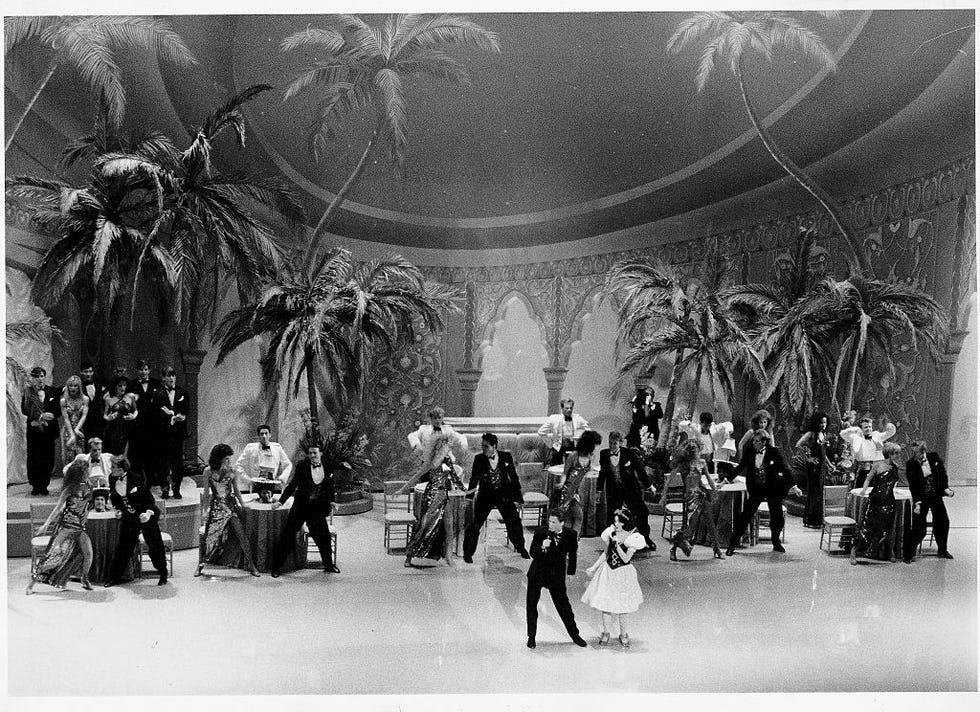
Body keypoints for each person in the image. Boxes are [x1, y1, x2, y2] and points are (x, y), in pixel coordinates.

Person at [725, 429, 802, 556]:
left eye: (756, 441)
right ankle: (732, 545)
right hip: (756, 489)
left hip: (773, 489)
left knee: (776, 517)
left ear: (764, 442)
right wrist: (728, 479)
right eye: (753, 441)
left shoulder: (774, 452)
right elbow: (740, 466)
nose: (754, 443)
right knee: (745, 516)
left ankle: (776, 543)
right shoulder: (750, 451)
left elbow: (785, 469)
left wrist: (794, 486)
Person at [581, 507, 647, 648]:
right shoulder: (611, 534)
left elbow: (625, 558)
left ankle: (623, 634)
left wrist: (617, 545)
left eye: (619, 522)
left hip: (623, 574)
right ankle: (605, 632)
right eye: (615, 521)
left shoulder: (632, 538)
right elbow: (606, 554)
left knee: (623, 606)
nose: (616, 524)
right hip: (609, 572)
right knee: (606, 605)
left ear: (625, 522)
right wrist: (594, 567)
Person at [271, 443, 339, 576]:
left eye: (315, 453)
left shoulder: (328, 466)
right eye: (310, 453)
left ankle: (329, 565)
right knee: (288, 536)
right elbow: (292, 486)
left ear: (321, 454)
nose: (312, 455)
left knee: (323, 538)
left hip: (317, 509)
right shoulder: (302, 466)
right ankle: (276, 567)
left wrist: (332, 501)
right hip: (300, 508)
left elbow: (330, 486)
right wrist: (280, 501)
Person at [26, 461, 94, 594]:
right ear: (80, 474)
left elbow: (87, 506)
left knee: (88, 553)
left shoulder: (89, 487)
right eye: (87, 471)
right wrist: (45, 525)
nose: (89, 472)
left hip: (80, 528)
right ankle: (31, 584)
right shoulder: (69, 490)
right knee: (53, 556)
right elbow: (57, 509)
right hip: (66, 528)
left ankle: (84, 579)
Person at [400, 435, 466, 567]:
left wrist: (466, 490)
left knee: (449, 526)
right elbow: (416, 476)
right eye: (446, 446)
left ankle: (448, 557)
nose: (448, 448)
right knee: (424, 526)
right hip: (431, 496)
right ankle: (409, 556)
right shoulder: (431, 462)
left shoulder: (447, 461)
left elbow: (455, 478)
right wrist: (403, 488)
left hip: (444, 495)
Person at [195, 444, 261, 577]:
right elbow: (207, 493)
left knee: (242, 536)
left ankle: (252, 566)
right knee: (208, 537)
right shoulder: (208, 471)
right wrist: (205, 510)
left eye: (229, 458)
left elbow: (236, 490)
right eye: (226, 458)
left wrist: (242, 504)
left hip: (231, 507)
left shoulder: (233, 470)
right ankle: (200, 566)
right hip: (216, 508)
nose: (228, 461)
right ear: (218, 458)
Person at [462, 433, 529, 563]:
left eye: (486, 446)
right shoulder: (479, 459)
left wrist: (518, 499)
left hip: (504, 495)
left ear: (494, 446)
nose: (483, 449)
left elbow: (514, 478)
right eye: (482, 446)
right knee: (475, 525)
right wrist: (469, 498)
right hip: (485, 496)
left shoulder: (506, 457)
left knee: (514, 522)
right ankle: (468, 554)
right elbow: (474, 479)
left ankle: (521, 548)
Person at [526, 510, 588, 649]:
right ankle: (531, 637)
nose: (550, 524)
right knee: (531, 605)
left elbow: (573, 556)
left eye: (554, 522)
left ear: (562, 523)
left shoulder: (570, 535)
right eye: (549, 521)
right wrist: (543, 547)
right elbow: (532, 552)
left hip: (556, 576)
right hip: (538, 573)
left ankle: (575, 635)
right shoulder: (540, 532)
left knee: (564, 606)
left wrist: (571, 573)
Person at [104, 458, 168, 587]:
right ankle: (114, 577)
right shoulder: (112, 478)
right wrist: (118, 509)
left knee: (154, 544)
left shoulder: (137, 478)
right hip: (129, 517)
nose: (111, 470)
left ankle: (162, 573)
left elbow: (149, 498)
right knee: (124, 547)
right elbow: (114, 496)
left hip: (144, 515)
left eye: (113, 467)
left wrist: (148, 513)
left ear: (121, 469)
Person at [597, 431, 656, 549]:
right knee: (613, 516)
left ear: (620, 443)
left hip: (630, 490)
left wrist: (649, 486)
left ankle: (646, 539)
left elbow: (640, 470)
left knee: (641, 513)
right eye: (610, 443)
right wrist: (599, 491)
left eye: (615, 443)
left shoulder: (628, 454)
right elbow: (602, 473)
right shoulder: (604, 454)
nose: (612, 446)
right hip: (614, 491)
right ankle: (614, 541)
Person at [851, 442, 903, 565]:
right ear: (890, 453)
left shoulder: (895, 467)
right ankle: (854, 550)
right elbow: (868, 478)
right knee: (867, 526)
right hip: (876, 499)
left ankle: (889, 551)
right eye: (896, 453)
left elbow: (893, 483)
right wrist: (864, 489)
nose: (898, 455)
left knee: (888, 528)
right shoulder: (878, 465)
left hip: (889, 500)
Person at [904, 441, 954, 562]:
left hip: (935, 495)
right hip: (922, 497)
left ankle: (942, 550)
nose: (915, 455)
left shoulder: (934, 457)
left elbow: (942, 474)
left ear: (923, 451)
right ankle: (909, 554)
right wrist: (917, 503)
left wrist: (945, 488)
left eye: (917, 453)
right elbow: (913, 485)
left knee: (943, 521)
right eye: (913, 452)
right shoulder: (911, 464)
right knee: (918, 527)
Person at [670, 457, 724, 561]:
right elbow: (686, 480)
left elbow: (707, 477)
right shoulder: (684, 463)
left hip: (703, 494)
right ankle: (673, 548)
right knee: (690, 527)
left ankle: (717, 549)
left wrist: (714, 489)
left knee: (710, 523)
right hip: (691, 497)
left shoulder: (702, 462)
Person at [550, 430, 601, 535]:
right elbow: (565, 472)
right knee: (575, 516)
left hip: (576, 491)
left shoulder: (590, 457)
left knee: (572, 517)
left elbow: (588, 469)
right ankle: (570, 540)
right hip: (568, 490)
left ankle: (570, 540)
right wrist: (561, 484)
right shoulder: (574, 456)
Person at [21, 366, 61, 496]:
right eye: (37, 376)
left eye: (42, 376)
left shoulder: (52, 391)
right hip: (34, 430)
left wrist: (51, 414)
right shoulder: (28, 392)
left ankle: (44, 484)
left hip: (49, 431)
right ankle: (35, 485)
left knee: (48, 458)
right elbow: (24, 409)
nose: (39, 379)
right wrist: (40, 416)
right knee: (34, 457)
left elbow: (59, 409)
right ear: (33, 378)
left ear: (45, 377)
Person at [151, 366, 188, 499]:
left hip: (178, 434)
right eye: (168, 375)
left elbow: (186, 410)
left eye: (173, 375)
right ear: (163, 378)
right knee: (163, 463)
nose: (171, 378)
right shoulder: (158, 393)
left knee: (177, 463)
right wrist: (171, 416)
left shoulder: (182, 392)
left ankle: (177, 488)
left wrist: (175, 415)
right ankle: (165, 488)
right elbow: (155, 413)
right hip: (162, 434)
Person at [795, 411, 836, 528]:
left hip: (821, 467)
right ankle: (811, 520)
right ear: (816, 422)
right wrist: (808, 459)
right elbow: (798, 445)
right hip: (813, 468)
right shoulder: (811, 434)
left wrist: (829, 465)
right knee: (814, 492)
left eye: (825, 423)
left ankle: (817, 520)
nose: (823, 425)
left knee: (820, 492)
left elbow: (823, 453)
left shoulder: (823, 434)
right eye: (821, 422)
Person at [406, 407, 468, 479]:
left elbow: (461, 437)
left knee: (443, 484)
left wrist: (464, 445)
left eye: (439, 418)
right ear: (431, 419)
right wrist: (417, 445)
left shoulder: (447, 430)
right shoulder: (424, 430)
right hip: (427, 462)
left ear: (442, 418)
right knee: (425, 483)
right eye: (435, 418)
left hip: (444, 461)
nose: (437, 420)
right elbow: (412, 435)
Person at [840, 413, 897, 488]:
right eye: (866, 427)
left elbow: (889, 433)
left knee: (876, 491)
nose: (869, 429)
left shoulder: (877, 435)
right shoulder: (856, 438)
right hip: (863, 469)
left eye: (870, 427)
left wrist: (890, 426)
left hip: (877, 469)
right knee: (860, 490)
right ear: (861, 429)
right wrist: (855, 429)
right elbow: (843, 434)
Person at [126, 359, 161, 478]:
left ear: (149, 370)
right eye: (141, 369)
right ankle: (136, 477)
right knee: (136, 452)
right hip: (136, 425)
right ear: (136, 370)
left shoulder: (157, 384)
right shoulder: (131, 385)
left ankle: (152, 478)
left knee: (152, 452)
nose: (143, 372)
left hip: (153, 425)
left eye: (146, 369)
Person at [236, 424, 293, 494]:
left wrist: (282, 478)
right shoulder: (250, 448)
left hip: (272, 484)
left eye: (266, 433)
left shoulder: (277, 448)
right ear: (258, 436)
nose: (264, 436)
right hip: (256, 485)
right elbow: (238, 465)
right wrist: (248, 480)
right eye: (261, 434)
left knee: (271, 502)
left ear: (270, 435)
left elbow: (288, 464)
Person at [538, 398, 590, 466]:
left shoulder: (578, 418)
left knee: (574, 470)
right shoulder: (554, 418)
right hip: (558, 448)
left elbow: (589, 432)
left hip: (573, 447)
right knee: (556, 469)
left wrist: (581, 440)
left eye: (571, 408)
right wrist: (551, 444)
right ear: (562, 408)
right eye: (567, 408)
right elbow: (541, 432)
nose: (569, 410)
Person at [103, 376, 137, 456]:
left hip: (127, 428)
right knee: (114, 453)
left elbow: (136, 410)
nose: (123, 388)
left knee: (127, 453)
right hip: (114, 429)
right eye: (120, 386)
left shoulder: (130, 396)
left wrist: (133, 416)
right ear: (115, 386)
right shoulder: (109, 399)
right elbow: (105, 415)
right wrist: (109, 418)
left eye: (124, 385)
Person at [59, 375, 90, 462]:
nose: (73, 388)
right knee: (69, 457)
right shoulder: (63, 401)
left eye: (75, 386)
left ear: (79, 387)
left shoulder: (85, 399)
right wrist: (72, 434)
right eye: (70, 385)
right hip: (68, 430)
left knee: (80, 457)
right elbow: (66, 419)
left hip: (80, 430)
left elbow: (84, 416)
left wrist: (77, 429)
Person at [78, 360, 106, 442]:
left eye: (90, 371)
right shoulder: (77, 386)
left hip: (99, 422)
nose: (88, 374)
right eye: (85, 372)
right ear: (81, 372)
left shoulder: (99, 384)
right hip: (85, 423)